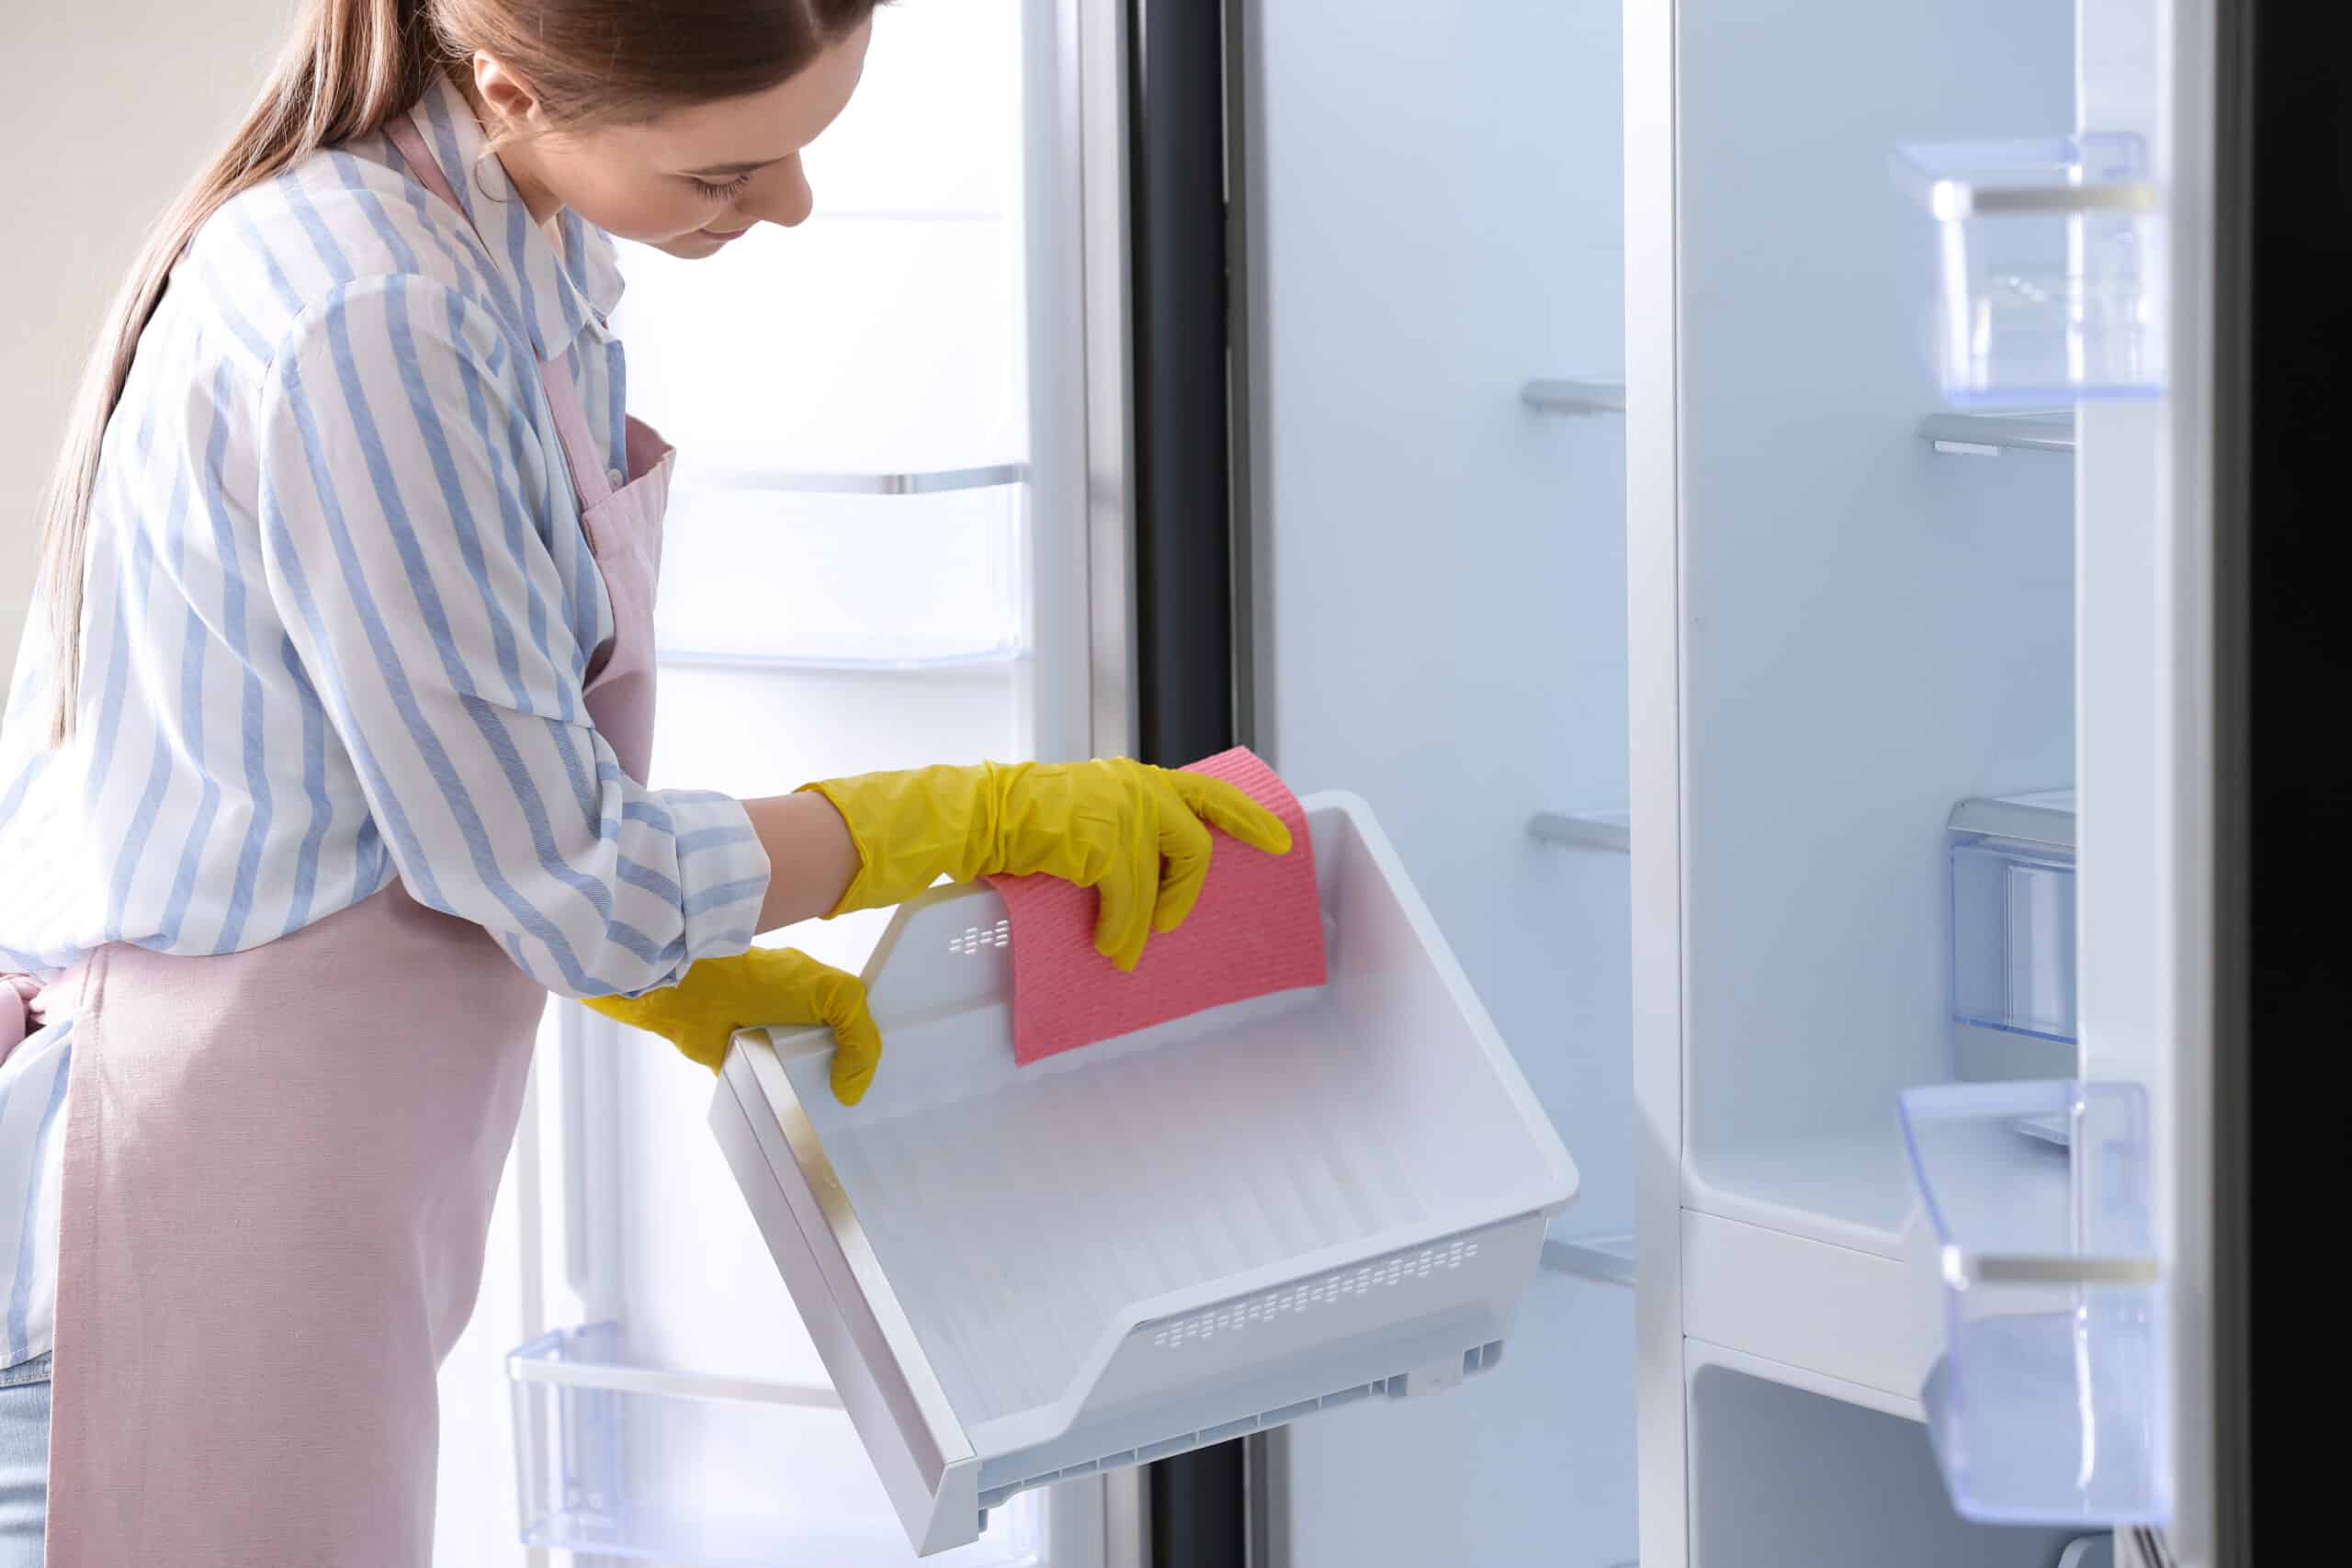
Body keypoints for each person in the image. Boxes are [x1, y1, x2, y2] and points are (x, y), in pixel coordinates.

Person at [0, 2, 1287, 1562]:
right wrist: (972, 818)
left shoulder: (511, 239)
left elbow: (432, 760)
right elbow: (566, 872)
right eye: (730, 175)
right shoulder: (374, 313)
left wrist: (645, 953)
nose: (791, 203)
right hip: (176, 1195)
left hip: (287, 1165)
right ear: (516, 87)